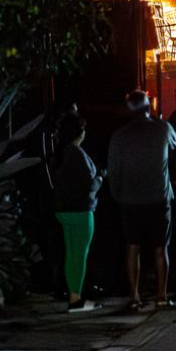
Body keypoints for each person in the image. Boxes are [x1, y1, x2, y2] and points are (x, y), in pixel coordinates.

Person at [107, 90, 176, 312]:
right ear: (148, 108)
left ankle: (134, 298)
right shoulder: (163, 129)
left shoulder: (119, 136)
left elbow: (113, 171)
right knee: (160, 249)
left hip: (130, 200)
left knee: (132, 248)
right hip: (159, 198)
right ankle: (160, 296)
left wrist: (118, 195)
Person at [52, 112, 104, 313]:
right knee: (80, 255)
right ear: (79, 132)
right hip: (81, 210)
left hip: (63, 209)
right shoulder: (77, 154)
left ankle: (74, 295)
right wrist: (100, 177)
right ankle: (76, 299)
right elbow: (89, 185)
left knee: (71, 254)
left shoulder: (61, 153)